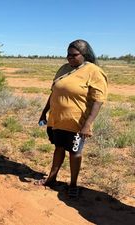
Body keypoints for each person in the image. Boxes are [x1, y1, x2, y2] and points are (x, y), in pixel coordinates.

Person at [35, 39, 108, 197]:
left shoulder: (94, 71)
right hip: (58, 120)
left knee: (75, 153)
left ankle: (73, 184)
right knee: (58, 148)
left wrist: (87, 125)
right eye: (68, 55)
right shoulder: (64, 69)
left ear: (84, 55)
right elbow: (54, 92)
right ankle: (51, 178)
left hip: (77, 123)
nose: (69, 58)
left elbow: (98, 100)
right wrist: (44, 112)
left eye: (74, 55)